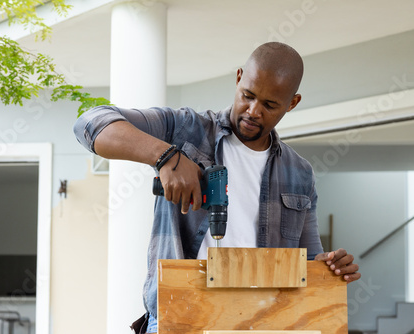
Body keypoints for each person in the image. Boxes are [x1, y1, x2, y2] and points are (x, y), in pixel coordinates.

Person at [73, 42, 361, 334]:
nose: (253, 111)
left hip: (263, 324)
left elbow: (309, 262)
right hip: (180, 320)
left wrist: (329, 266)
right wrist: (166, 156)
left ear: (292, 103)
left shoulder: (299, 172)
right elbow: (91, 123)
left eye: (270, 105)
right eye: (247, 95)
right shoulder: (186, 130)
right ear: (238, 78)